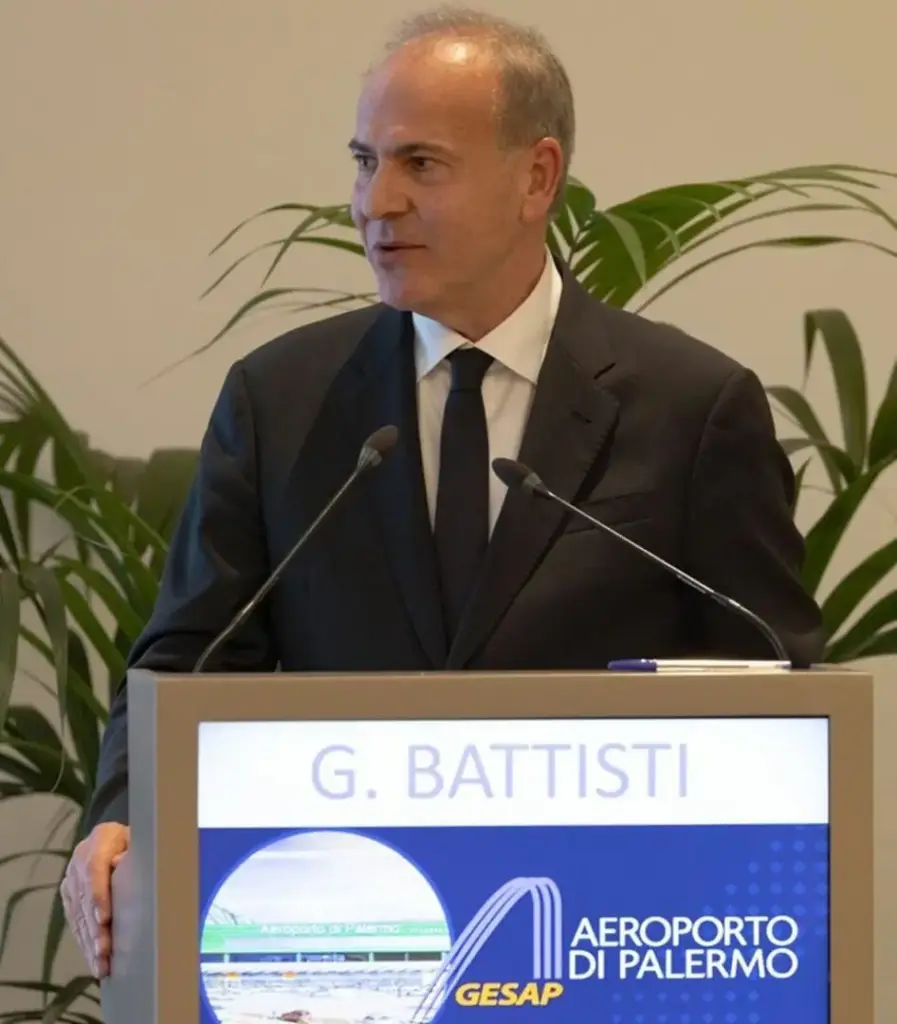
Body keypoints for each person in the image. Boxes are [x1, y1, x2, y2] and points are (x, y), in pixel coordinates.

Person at [60, 5, 826, 979]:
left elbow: (770, 686)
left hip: (610, 940)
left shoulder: (692, 406)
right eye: (364, 161)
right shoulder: (282, 399)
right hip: (348, 936)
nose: (374, 202)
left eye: (420, 164)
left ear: (536, 177)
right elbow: (186, 657)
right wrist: (122, 815)